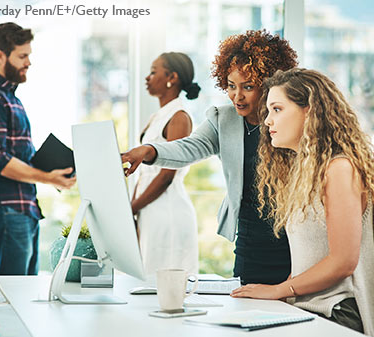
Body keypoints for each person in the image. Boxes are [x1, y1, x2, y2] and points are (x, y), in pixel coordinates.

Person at [122, 30, 298, 284]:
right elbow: (189, 147)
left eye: (248, 87)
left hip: (292, 242)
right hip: (249, 240)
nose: (237, 96)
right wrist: (150, 151)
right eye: (231, 86)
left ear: (270, 85)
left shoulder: (287, 121)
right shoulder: (222, 119)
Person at [230, 68, 374, 336]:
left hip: (337, 313)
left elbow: (342, 262)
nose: (267, 121)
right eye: (268, 111)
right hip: (307, 309)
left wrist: (277, 290)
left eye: (277, 109)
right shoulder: (306, 173)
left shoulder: (339, 168)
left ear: (310, 111)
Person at [0, 22, 76, 277]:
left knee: (23, 295)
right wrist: (48, 177)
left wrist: (55, 172)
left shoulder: (10, 98)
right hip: (6, 209)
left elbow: (18, 156)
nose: (29, 62)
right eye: (22, 56)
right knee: (12, 297)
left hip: (23, 208)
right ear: (0, 56)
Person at [133, 52, 201, 274]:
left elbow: (166, 175)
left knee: (162, 285)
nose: (147, 78)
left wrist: (132, 207)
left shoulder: (179, 116)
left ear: (172, 76)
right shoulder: (160, 115)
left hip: (167, 212)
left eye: (153, 72)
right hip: (150, 209)